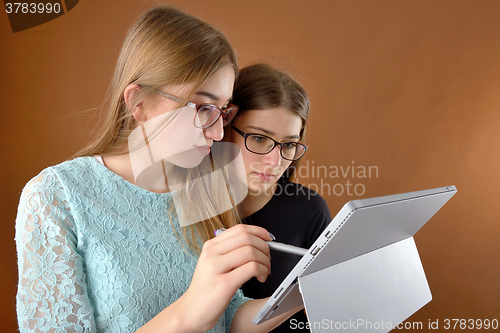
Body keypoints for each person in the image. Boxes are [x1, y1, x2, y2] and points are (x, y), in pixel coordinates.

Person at [15, 6, 301, 333]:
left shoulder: (203, 189)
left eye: (222, 111)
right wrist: (192, 310)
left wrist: (309, 285)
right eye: (202, 107)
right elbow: (200, 310)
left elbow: (227, 316)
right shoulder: (57, 197)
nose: (219, 133)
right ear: (138, 102)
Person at [226, 63, 332, 332]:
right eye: (259, 138)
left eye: (288, 144)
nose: (275, 161)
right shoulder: (183, 205)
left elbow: (324, 317)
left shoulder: (310, 210)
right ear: (225, 129)